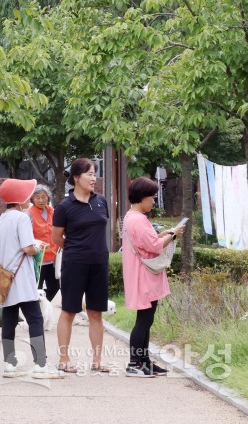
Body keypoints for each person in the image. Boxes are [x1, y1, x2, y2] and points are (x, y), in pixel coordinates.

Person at [0, 179, 63, 379]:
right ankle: (41, 364)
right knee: (35, 318)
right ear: (20, 198)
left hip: (5, 277)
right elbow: (27, 247)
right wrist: (37, 247)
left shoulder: (2, 219)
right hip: (21, 278)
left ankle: (9, 363)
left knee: (9, 319)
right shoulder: (22, 218)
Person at [52, 158, 110, 373]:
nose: (94, 178)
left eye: (95, 174)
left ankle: (97, 360)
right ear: (76, 177)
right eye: (89, 174)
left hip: (99, 264)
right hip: (74, 263)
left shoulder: (101, 201)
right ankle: (64, 358)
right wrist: (76, 248)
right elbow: (57, 237)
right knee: (69, 311)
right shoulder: (65, 206)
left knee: (96, 312)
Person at [122, 177, 183, 377]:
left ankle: (144, 362)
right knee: (144, 321)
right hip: (144, 277)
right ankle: (134, 363)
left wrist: (164, 234)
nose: (154, 202)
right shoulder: (138, 219)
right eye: (152, 198)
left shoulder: (133, 217)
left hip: (141, 275)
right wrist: (172, 234)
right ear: (142, 198)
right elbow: (155, 247)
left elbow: (147, 242)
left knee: (146, 320)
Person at [28, 185, 60, 301]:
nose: (41, 200)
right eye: (37, 197)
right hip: (37, 259)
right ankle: (37, 313)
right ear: (32, 199)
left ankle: (43, 304)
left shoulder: (53, 211)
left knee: (55, 287)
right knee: (36, 288)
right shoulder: (28, 214)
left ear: (48, 197)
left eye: (43, 197)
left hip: (52, 258)